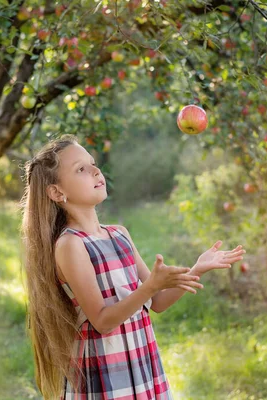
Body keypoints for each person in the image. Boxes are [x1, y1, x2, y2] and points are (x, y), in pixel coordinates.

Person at [19, 134, 245, 399]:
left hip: (141, 362)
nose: (95, 171)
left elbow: (157, 301)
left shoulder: (120, 235)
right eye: (81, 169)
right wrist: (149, 287)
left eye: (93, 164)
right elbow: (103, 321)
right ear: (57, 192)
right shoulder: (70, 245)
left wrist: (197, 268)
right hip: (105, 371)